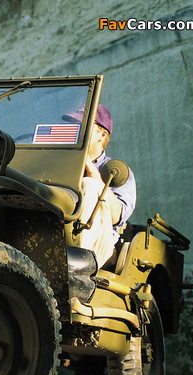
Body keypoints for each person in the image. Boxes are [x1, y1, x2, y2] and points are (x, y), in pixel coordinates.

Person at [65, 105, 137, 266]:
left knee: (90, 185)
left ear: (102, 134)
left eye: (81, 124)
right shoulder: (59, 164)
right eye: (71, 124)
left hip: (99, 248)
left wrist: (90, 169)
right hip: (56, 235)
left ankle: (76, 264)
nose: (74, 129)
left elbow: (117, 217)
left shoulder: (115, 170)